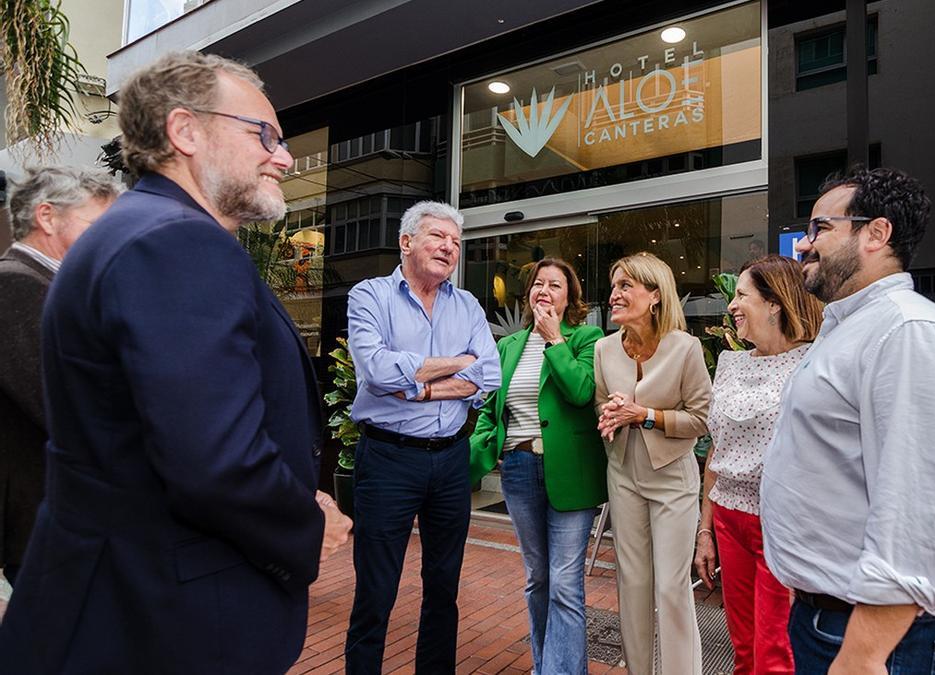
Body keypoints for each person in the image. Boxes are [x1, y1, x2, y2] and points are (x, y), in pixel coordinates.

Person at [0, 51, 352, 674]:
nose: (285, 156)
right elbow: (214, 460)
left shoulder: (141, 231)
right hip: (166, 618)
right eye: (263, 134)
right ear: (185, 131)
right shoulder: (176, 240)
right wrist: (307, 523)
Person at [761, 167, 935, 674]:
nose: (803, 245)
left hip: (889, 635)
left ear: (876, 233)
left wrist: (861, 657)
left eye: (820, 228)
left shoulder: (912, 335)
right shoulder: (849, 326)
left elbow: (925, 515)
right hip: (835, 618)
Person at [344, 200, 501, 674]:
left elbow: (489, 372)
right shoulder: (369, 295)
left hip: (450, 460)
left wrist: (419, 386)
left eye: (456, 242)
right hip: (389, 459)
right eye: (438, 237)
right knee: (376, 589)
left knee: (443, 587)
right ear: (407, 241)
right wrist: (459, 361)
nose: (449, 248)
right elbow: (376, 369)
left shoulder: (468, 303)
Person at [469, 257, 607, 675]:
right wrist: (473, 458)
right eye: (538, 284)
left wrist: (554, 341)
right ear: (528, 293)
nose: (545, 290)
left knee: (565, 583)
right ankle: (545, 664)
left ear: (570, 298)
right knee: (538, 579)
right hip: (517, 469)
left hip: (570, 472)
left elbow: (581, 392)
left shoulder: (587, 338)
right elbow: (491, 412)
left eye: (556, 285)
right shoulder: (508, 346)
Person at [694, 255, 822, 674]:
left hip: (781, 522)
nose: (731, 305)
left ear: (774, 303)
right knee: (742, 646)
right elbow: (717, 449)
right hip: (729, 518)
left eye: (742, 295)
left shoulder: (813, 364)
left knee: (775, 651)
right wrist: (706, 530)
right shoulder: (730, 364)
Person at [0, 167, 122, 590]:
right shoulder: (16, 284)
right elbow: (62, 405)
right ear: (47, 217)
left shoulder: (49, 285)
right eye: (98, 225)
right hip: (43, 519)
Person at [594, 252, 711, 675]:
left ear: (655, 295)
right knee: (633, 585)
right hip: (623, 475)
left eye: (625, 286)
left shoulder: (686, 348)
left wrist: (644, 414)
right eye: (613, 286)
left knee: (672, 588)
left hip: (673, 481)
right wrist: (609, 414)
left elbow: (701, 419)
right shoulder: (605, 349)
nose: (614, 295)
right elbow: (601, 407)